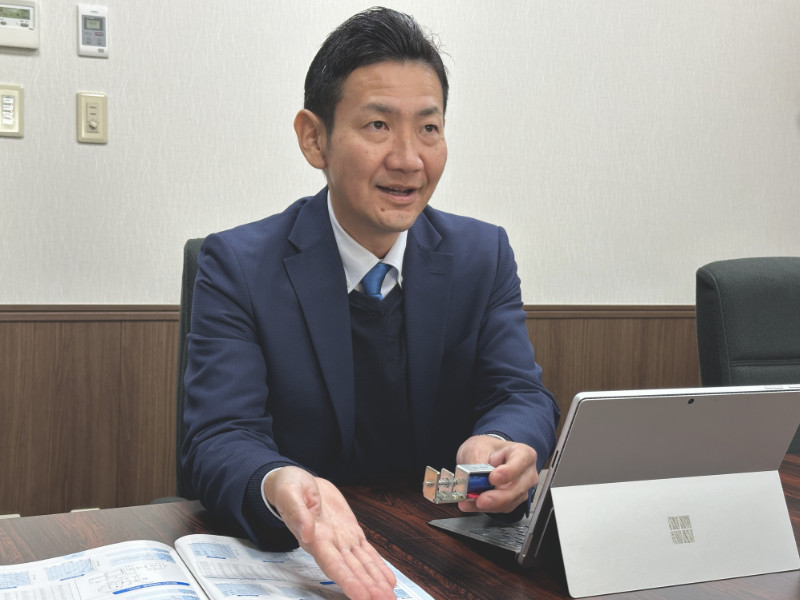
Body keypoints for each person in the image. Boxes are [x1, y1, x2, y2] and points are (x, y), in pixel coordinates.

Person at [181, 7, 560, 600]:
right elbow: (218, 437)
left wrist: (500, 442)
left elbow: (520, 394)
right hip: (299, 560)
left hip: (442, 553)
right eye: (378, 125)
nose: (409, 159)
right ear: (314, 138)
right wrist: (280, 483)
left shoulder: (481, 255)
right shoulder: (239, 264)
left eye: (428, 128)